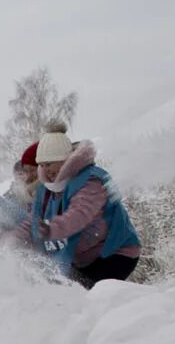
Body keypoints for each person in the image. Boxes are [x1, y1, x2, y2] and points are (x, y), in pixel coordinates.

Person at [13, 120, 142, 287]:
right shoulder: (48, 189)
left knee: (87, 297)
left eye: (50, 163)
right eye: (42, 165)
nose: (47, 170)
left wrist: (51, 229)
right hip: (83, 261)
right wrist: (13, 240)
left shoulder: (91, 180)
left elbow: (80, 215)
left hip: (115, 254)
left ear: (65, 159)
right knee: (59, 290)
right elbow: (33, 220)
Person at [7, 143, 39, 208]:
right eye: (17, 174)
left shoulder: (38, 186)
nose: (19, 177)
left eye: (21, 174)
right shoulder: (13, 190)